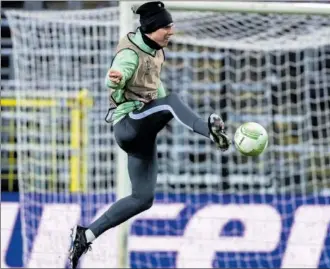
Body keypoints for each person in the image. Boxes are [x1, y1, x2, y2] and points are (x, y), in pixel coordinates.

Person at [68, 2, 231, 268]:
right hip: (128, 124)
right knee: (171, 101)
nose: (171, 31)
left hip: (140, 132)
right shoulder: (130, 54)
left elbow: (153, 85)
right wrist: (116, 79)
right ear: (151, 29)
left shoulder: (156, 50)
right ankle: (209, 132)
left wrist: (160, 111)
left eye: (171, 25)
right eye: (166, 26)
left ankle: (85, 235)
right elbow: (116, 76)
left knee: (143, 198)